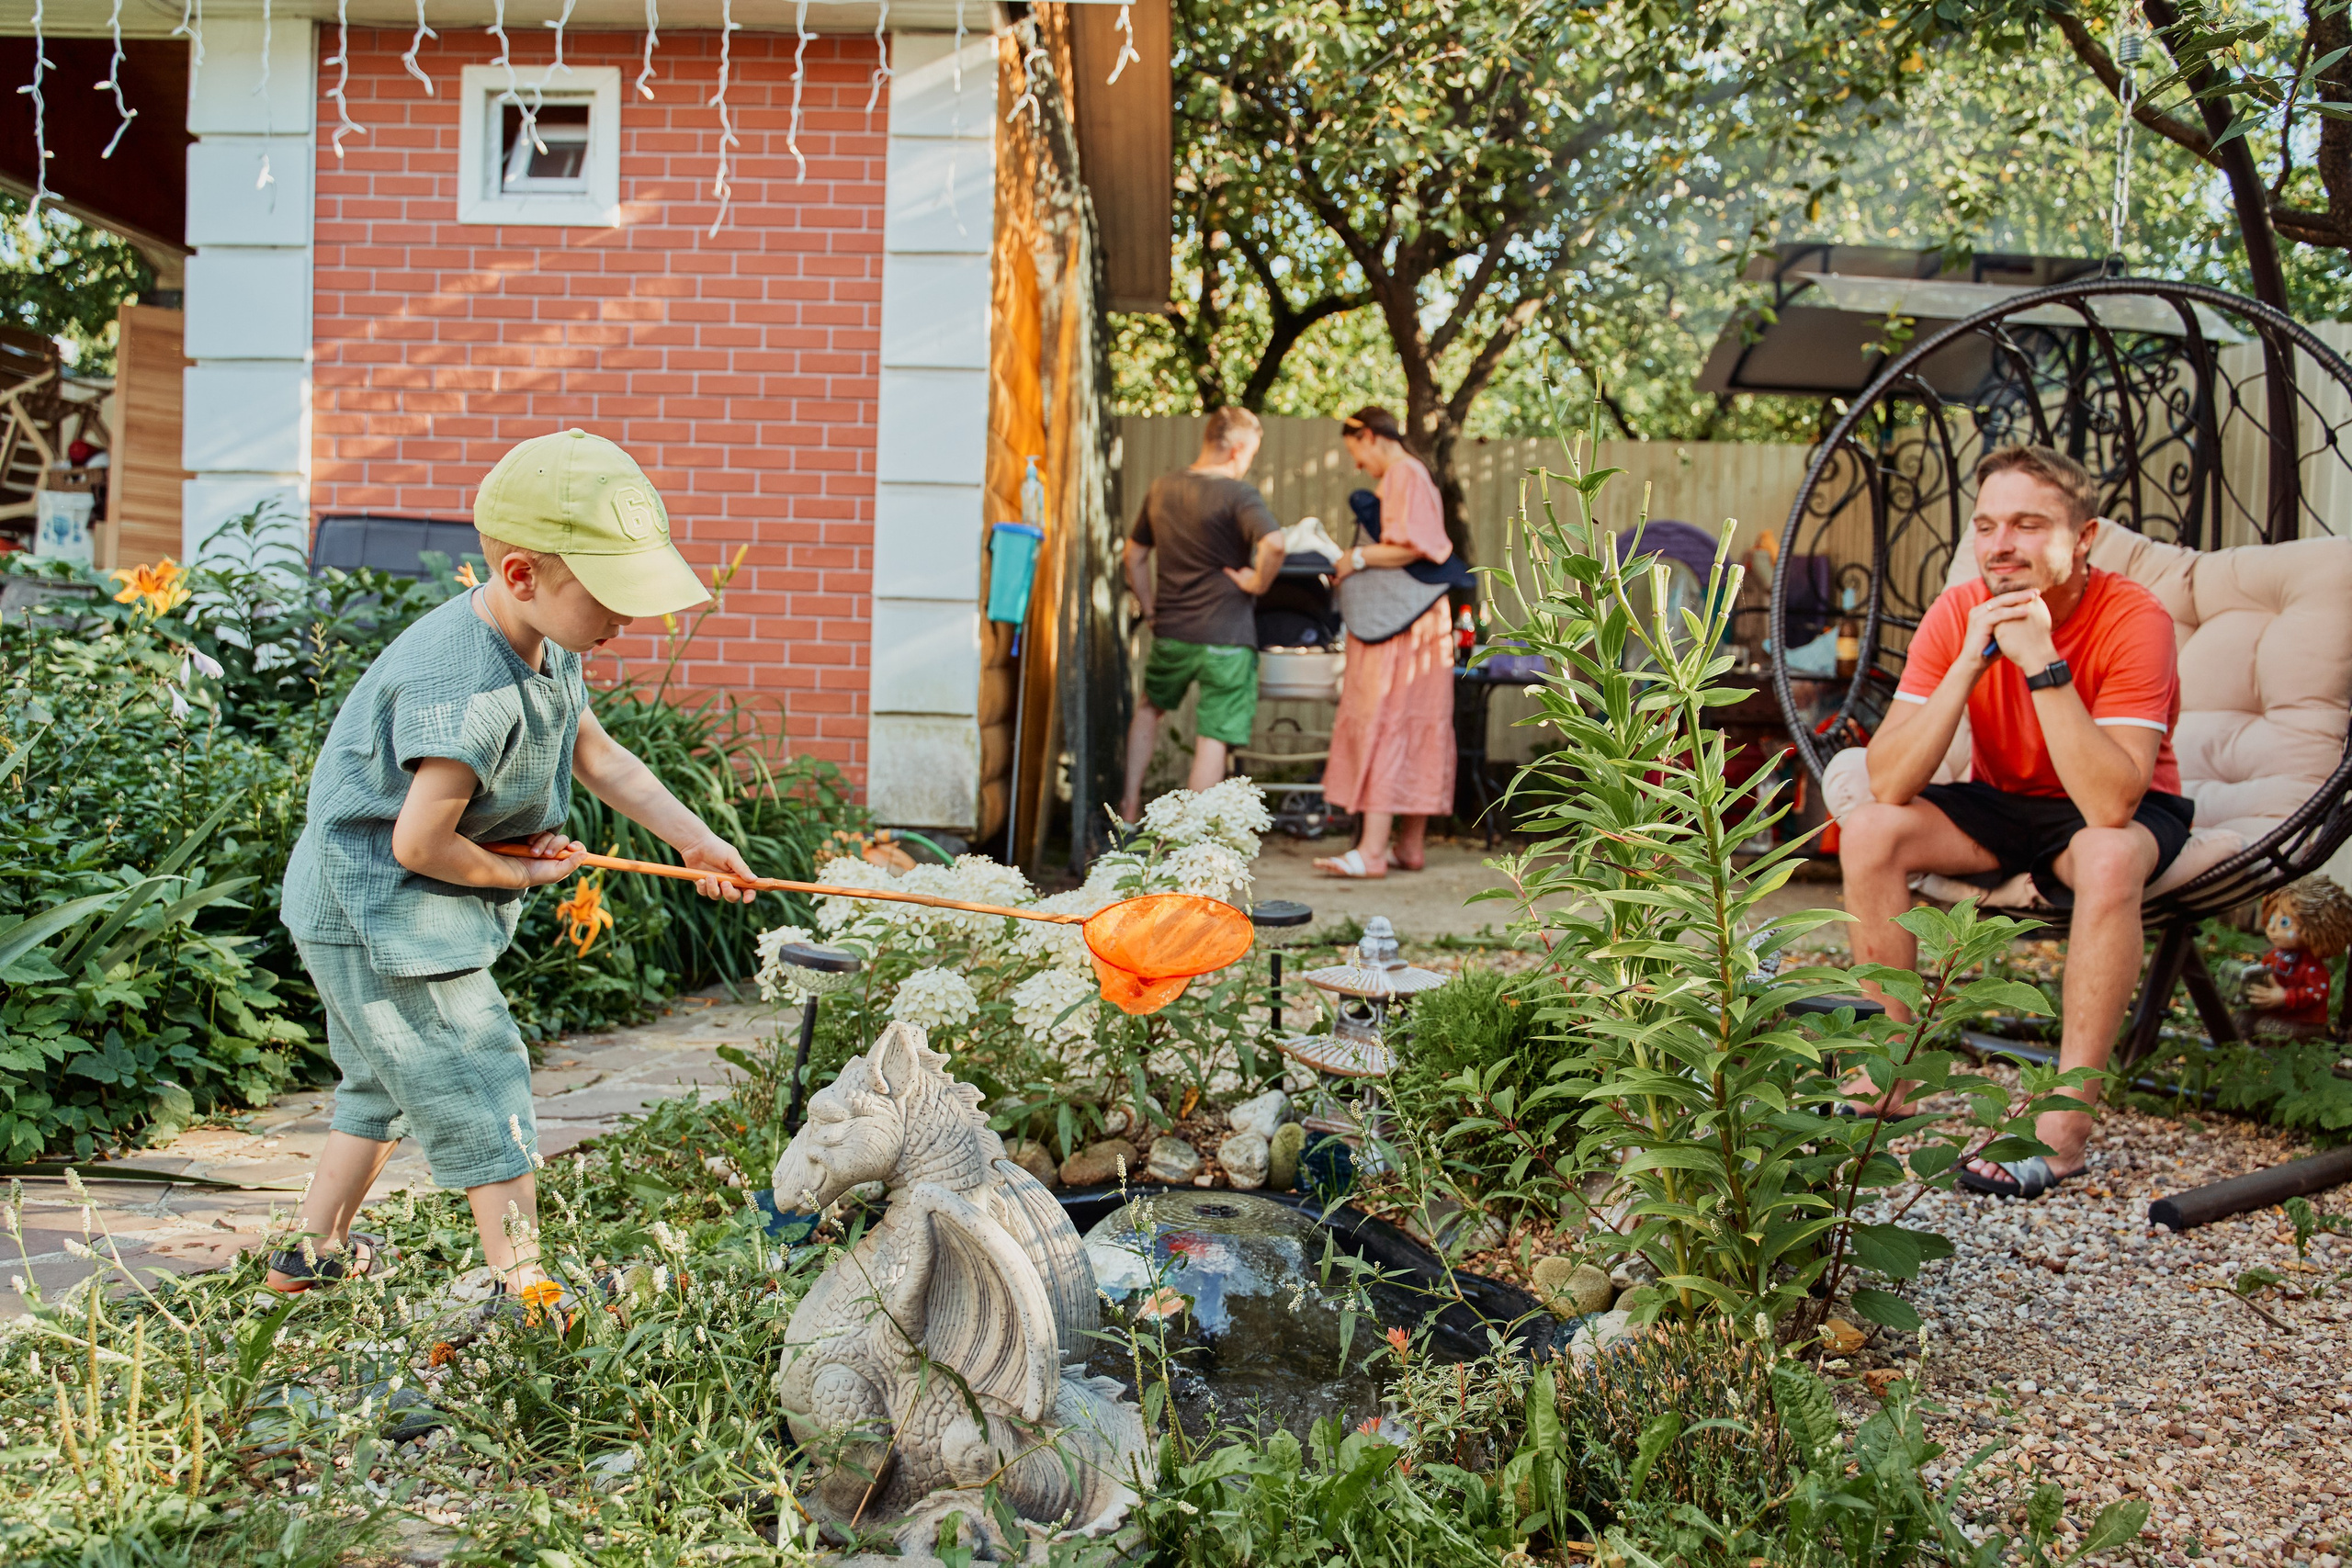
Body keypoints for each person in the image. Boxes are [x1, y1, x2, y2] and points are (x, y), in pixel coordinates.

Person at [269, 429, 759, 1303]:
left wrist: (692, 838)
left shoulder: (545, 641)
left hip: (368, 901)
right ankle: (524, 1286)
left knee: (379, 1080)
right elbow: (418, 843)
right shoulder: (467, 685)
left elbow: (596, 753)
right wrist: (519, 875)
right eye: (610, 599)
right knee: (482, 1067)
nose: (626, 621)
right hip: (378, 908)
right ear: (524, 574)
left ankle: (309, 1255)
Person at [1838, 444, 2189, 1200]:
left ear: (2083, 537)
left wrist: (2040, 661)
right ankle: (1890, 1074)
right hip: (2005, 802)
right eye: (1986, 525)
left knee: (2106, 853)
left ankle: (2064, 1125)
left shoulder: (2136, 617)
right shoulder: (1959, 610)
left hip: (2114, 805)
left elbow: (2111, 804)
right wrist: (1969, 660)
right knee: (1869, 829)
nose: (2000, 544)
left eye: (2028, 524)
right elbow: (1889, 781)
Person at [1119, 407, 1289, 820]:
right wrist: (1257, 583)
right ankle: (1189, 834)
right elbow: (1276, 544)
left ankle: (1127, 809)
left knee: (1149, 709)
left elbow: (1134, 555)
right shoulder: (1239, 494)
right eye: (1251, 454)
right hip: (1227, 639)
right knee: (1212, 736)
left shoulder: (1162, 488)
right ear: (1237, 449)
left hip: (1172, 631)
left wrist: (1151, 609)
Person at [1315, 406, 1458, 878]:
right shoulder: (1413, 474)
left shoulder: (1402, 473)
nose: (1358, 464)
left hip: (1400, 627)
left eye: (1356, 451)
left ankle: (1372, 852)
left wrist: (1353, 558)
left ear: (1371, 436)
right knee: (1416, 720)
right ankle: (1408, 846)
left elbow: (1413, 545)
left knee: (1387, 716)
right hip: (1419, 620)